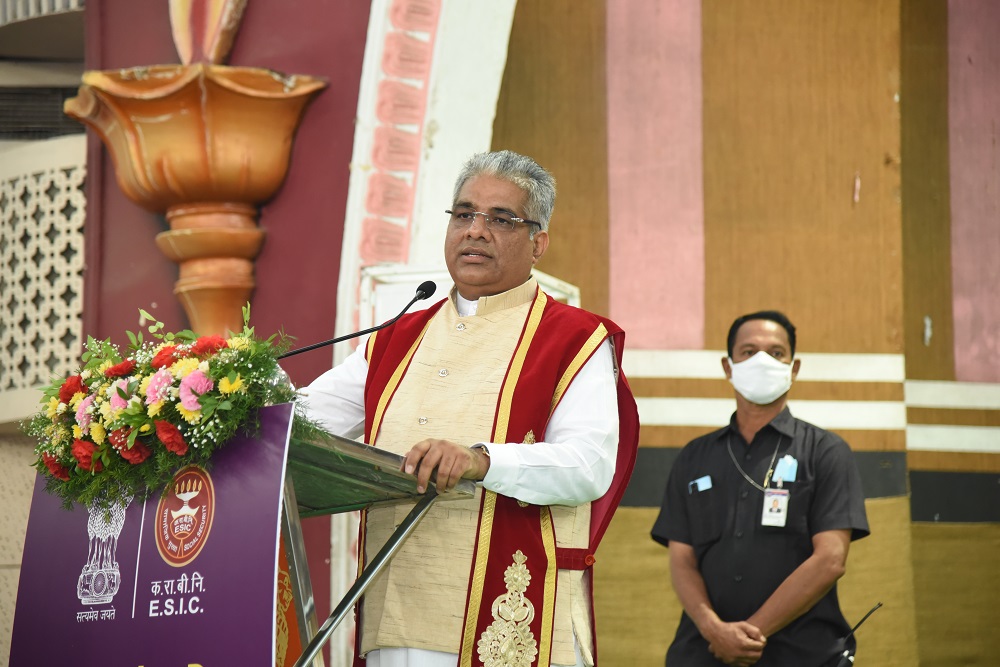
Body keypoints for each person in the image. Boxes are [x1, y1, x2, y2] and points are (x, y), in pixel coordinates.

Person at [301, 150, 639, 667]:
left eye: (501, 219)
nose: (476, 231)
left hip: (509, 616)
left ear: (538, 243)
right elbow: (302, 422)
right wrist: (210, 401)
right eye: (464, 214)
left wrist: (482, 460)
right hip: (396, 615)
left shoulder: (574, 338)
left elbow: (588, 465)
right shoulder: (396, 339)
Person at [651, 311, 869, 667]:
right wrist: (714, 630)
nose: (762, 361)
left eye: (776, 353)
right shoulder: (694, 457)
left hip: (802, 655)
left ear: (794, 369)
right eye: (749, 352)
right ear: (728, 366)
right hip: (703, 651)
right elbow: (681, 560)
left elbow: (830, 559)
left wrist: (748, 635)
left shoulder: (825, 452)